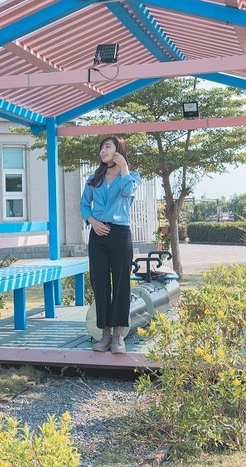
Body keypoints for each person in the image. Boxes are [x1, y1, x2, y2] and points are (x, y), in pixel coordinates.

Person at [80, 135, 141, 354]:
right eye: (101, 148)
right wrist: (93, 222)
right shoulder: (93, 178)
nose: (102, 151)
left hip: (119, 233)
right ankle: (105, 335)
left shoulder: (132, 177)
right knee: (100, 284)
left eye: (107, 147)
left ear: (118, 151)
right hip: (97, 234)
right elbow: (84, 205)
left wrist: (124, 167)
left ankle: (118, 336)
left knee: (121, 284)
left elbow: (128, 192)